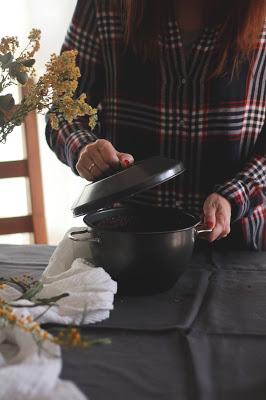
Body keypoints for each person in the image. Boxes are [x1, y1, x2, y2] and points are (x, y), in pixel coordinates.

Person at [46, 0, 266, 250]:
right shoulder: (103, 6)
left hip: (236, 248)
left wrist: (235, 195)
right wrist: (85, 149)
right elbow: (63, 110)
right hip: (126, 244)